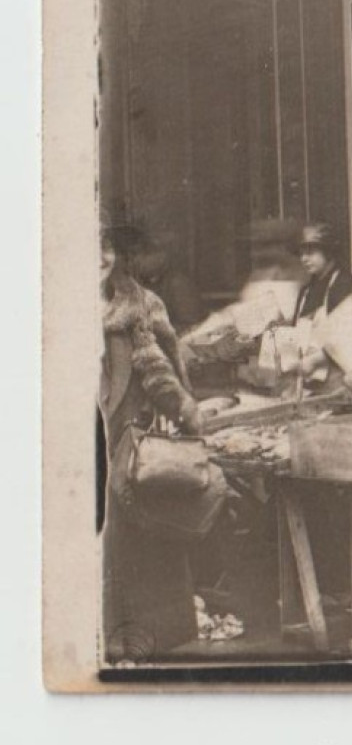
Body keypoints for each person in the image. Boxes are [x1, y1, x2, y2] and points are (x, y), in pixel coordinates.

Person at [100, 223, 205, 659]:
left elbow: (153, 365)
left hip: (124, 434)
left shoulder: (135, 302)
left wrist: (184, 406)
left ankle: (140, 638)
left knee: (129, 537)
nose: (98, 258)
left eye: (104, 247)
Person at [291, 222, 352, 385]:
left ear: (329, 252)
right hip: (307, 381)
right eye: (302, 253)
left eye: (311, 252)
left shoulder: (346, 285)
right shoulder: (306, 291)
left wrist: (316, 360)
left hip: (340, 380)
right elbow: (296, 335)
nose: (304, 259)